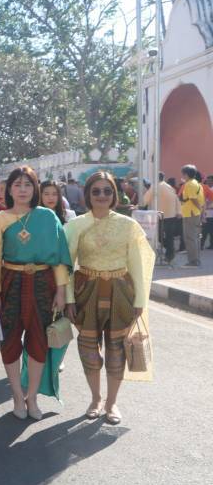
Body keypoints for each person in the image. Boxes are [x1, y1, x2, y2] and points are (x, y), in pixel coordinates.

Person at [65, 171, 154, 424]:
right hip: (86, 292)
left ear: (115, 194)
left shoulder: (128, 225)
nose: (102, 195)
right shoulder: (76, 225)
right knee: (88, 349)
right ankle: (95, 399)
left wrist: (140, 301)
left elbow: (137, 264)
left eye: (107, 191)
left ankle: (111, 403)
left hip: (121, 293)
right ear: (88, 195)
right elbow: (66, 265)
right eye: (96, 191)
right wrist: (69, 298)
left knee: (117, 350)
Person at [0, 166, 72, 420]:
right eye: (17, 184)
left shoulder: (47, 217)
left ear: (35, 189)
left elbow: (59, 258)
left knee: (38, 341)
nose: (22, 190)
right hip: (10, 283)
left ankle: (32, 397)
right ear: (9, 190)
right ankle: (16, 395)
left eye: (28, 184)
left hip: (44, 283)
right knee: (10, 340)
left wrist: (61, 291)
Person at [141, 172, 182, 263]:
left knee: (159, 236)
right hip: (171, 215)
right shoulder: (169, 187)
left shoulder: (155, 186)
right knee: (169, 236)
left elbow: (146, 199)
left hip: (159, 216)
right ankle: (170, 254)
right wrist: (179, 211)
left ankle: (170, 251)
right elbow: (177, 199)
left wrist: (137, 206)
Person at [180, 164, 205, 267]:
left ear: (186, 174)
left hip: (190, 213)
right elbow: (201, 200)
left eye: (183, 174)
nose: (182, 176)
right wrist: (201, 211)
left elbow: (193, 198)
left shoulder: (189, 184)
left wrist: (199, 209)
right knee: (193, 237)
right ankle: (195, 260)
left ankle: (193, 261)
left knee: (190, 238)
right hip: (194, 213)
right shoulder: (197, 184)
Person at [202, 176, 213, 250]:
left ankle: (211, 245)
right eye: (208, 180)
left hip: (211, 213)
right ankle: (201, 244)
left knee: (211, 231)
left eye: (210, 180)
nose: (209, 182)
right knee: (204, 230)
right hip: (205, 213)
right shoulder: (205, 189)